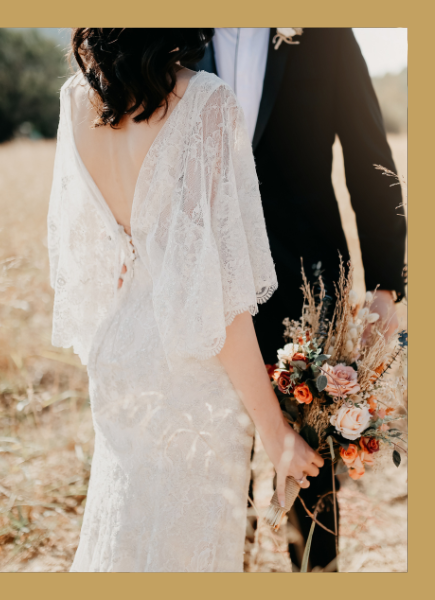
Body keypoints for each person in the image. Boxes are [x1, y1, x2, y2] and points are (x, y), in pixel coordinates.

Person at [47, 28, 323, 572]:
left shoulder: (78, 98)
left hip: (119, 351)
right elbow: (218, 298)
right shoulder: (205, 101)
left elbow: (90, 255)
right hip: (189, 372)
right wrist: (275, 432)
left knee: (122, 529)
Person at [183, 28, 407, 571]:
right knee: (211, 461)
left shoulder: (325, 29)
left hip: (307, 285)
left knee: (312, 472)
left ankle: (317, 574)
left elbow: (369, 153)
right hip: (200, 286)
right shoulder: (172, 33)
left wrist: (384, 285)